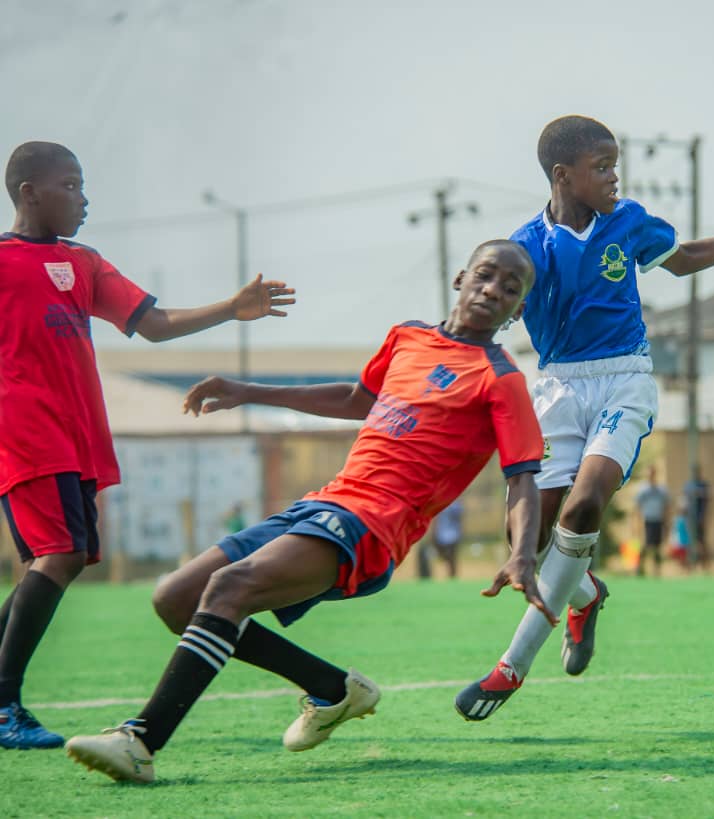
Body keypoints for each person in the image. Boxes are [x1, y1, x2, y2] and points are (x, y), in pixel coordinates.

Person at [65, 239, 556, 783]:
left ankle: (139, 742)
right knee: (176, 598)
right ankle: (331, 688)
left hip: (373, 525)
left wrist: (521, 554)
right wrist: (246, 390)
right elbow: (357, 400)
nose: (494, 290)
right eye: (486, 276)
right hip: (325, 501)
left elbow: (523, 477)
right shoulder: (408, 337)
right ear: (462, 277)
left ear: (519, 310)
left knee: (230, 588)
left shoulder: (501, 380)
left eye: (511, 289)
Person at [455, 115, 714, 721]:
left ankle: (509, 669)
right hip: (556, 391)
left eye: (614, 164)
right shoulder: (525, 247)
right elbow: (491, 310)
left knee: (584, 506)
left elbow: (686, 259)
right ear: (562, 175)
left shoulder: (628, 223)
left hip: (623, 378)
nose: (613, 176)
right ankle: (587, 594)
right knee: (531, 535)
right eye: (601, 167)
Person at [0, 141, 295, 751]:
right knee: (56, 555)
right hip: (23, 432)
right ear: (29, 192)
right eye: (71, 185)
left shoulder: (83, 262)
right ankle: (4, 705)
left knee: (65, 557)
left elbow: (153, 324)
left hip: (76, 435)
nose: (84, 199)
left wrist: (231, 309)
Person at [417, 497, 464, 579]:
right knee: (450, 558)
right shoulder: (455, 504)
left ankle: (451, 577)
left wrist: (433, 534)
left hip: (444, 536)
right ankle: (451, 577)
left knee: (448, 558)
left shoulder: (442, 503)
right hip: (451, 536)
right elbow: (460, 519)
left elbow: (436, 519)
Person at [634, 466, 669, 577]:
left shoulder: (661, 490)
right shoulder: (643, 490)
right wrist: (638, 522)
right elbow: (637, 507)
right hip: (647, 521)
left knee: (657, 546)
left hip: (658, 520)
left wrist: (666, 520)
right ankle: (639, 568)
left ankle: (657, 570)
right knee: (646, 545)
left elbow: (666, 506)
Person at [683, 466, 711, 569]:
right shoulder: (688, 486)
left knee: (702, 542)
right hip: (690, 519)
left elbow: (707, 502)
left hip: (700, 518)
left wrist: (704, 517)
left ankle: (706, 565)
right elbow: (684, 502)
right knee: (690, 542)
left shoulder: (703, 485)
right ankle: (690, 565)